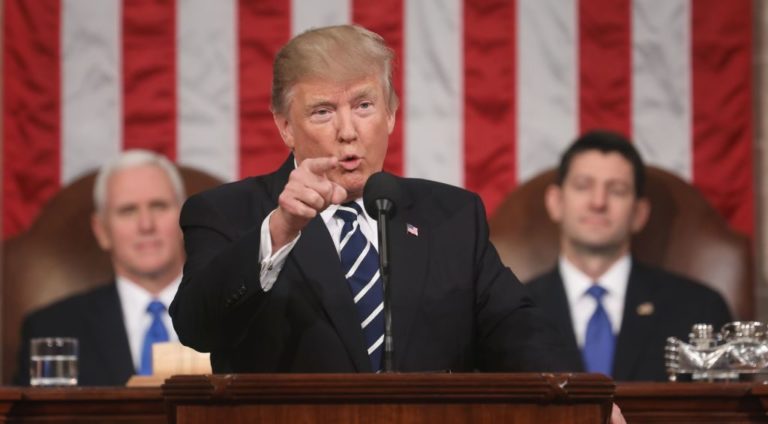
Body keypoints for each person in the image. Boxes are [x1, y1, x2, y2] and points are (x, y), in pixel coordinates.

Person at [169, 24, 569, 375]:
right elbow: (196, 328)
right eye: (323, 112)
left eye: (363, 106)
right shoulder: (228, 213)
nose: (348, 131)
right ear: (285, 126)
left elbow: (519, 332)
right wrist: (280, 230)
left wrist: (578, 401)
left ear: (390, 113)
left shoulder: (452, 217)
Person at [525, 130, 733, 381]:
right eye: (583, 186)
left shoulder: (699, 310)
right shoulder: (512, 314)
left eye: (617, 190)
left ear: (639, 213)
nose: (598, 202)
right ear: (556, 202)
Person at [15, 150, 186, 386]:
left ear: (186, 218)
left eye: (159, 206)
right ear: (102, 230)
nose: (146, 225)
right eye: (128, 210)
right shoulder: (52, 329)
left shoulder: (234, 320)